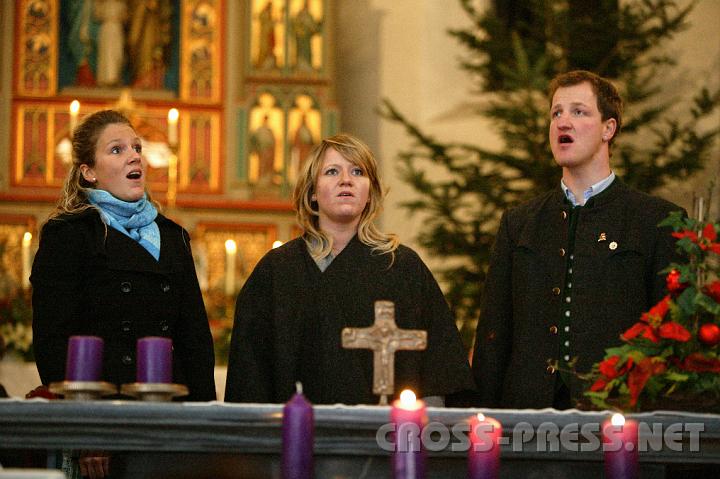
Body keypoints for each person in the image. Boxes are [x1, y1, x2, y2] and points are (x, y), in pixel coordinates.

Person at [472, 70, 685, 409]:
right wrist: (481, 418)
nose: (563, 122)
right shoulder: (519, 222)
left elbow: (673, 337)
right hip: (527, 417)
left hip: (618, 414)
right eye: (556, 113)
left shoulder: (655, 221)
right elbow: (493, 337)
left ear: (608, 128)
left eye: (579, 112)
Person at [225, 134, 474, 405]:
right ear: (312, 192)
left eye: (358, 171)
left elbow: (440, 369)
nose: (346, 179)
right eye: (332, 171)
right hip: (296, 435)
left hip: (385, 437)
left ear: (370, 193)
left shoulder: (403, 268)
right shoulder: (276, 271)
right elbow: (248, 377)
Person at [31, 109, 215, 400]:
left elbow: (196, 343)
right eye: (117, 149)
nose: (134, 156)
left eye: (137, 147)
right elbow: (52, 342)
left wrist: (202, 421)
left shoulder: (172, 236)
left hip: (169, 409)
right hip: (101, 412)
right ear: (88, 171)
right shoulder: (69, 234)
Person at [93, 0, 127, 86]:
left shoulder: (121, 4)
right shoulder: (103, 4)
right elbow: (97, 15)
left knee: (117, 54)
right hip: (106, 29)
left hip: (117, 29)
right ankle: (105, 79)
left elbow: (126, 17)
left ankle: (115, 78)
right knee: (106, 54)